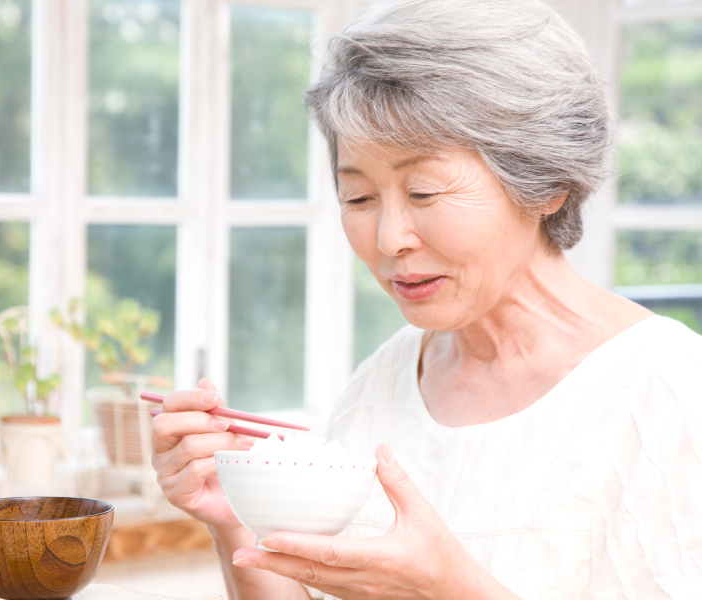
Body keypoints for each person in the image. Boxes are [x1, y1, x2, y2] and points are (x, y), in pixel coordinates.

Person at [151, 0, 702, 598]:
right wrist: (237, 517)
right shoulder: (385, 380)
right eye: (358, 198)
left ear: (547, 184)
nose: (389, 240)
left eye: (425, 190)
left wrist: (447, 587)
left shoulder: (668, 391)